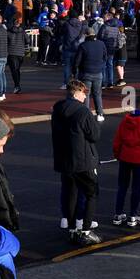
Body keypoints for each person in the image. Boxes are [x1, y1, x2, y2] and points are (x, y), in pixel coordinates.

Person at [52, 79, 102, 243]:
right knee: (91, 194)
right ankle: (86, 230)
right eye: (84, 93)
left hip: (64, 160)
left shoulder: (57, 108)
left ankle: (73, 228)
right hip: (82, 160)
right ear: (76, 93)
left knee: (70, 194)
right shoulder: (83, 111)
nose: (85, 96)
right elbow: (94, 135)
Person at [112, 94, 140, 226]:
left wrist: (117, 154)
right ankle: (133, 214)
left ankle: (118, 214)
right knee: (137, 188)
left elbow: (117, 141)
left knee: (122, 187)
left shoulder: (124, 121)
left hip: (125, 157)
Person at [73, 26, 108, 121]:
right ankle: (100, 113)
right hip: (98, 72)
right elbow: (105, 57)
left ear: (86, 35)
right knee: (97, 94)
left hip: (85, 72)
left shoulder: (83, 46)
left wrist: (74, 71)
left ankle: (86, 115)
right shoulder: (101, 44)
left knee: (85, 94)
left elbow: (77, 61)